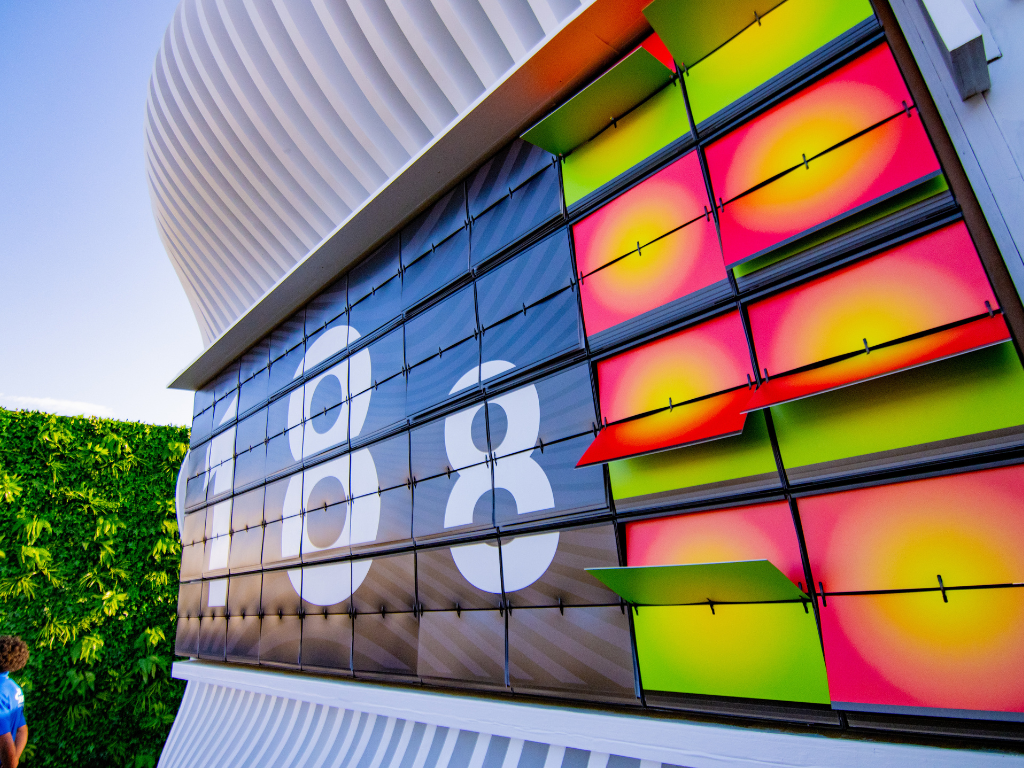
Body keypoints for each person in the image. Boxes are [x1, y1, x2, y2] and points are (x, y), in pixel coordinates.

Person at [0, 637, 28, 768]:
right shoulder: (13, 687)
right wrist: (14, 760)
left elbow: (4, 739)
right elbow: (22, 730)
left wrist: (10, 764)